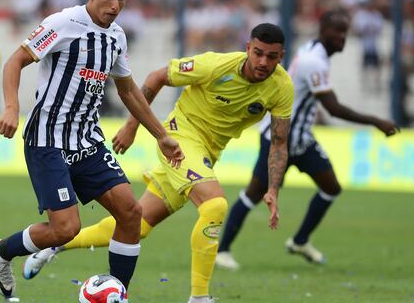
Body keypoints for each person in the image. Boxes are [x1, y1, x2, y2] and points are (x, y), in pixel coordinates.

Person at [23, 23, 294, 303]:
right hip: (179, 140)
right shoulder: (215, 65)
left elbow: (278, 141)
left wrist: (273, 188)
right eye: (258, 53)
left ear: (281, 56)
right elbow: (156, 78)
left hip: (206, 154)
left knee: (136, 225)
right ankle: (199, 298)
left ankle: (53, 246)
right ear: (248, 48)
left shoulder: (282, 88)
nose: (263, 62)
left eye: (271, 57)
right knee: (215, 205)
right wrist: (132, 126)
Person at [0, 0, 184, 300]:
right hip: (48, 139)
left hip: (87, 139)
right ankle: (1, 252)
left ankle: (118, 294)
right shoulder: (63, 23)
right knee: (66, 229)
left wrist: (160, 134)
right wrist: (11, 107)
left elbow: (128, 90)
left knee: (130, 212)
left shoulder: (116, 37)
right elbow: (15, 61)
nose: (115, 6)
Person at [215, 9, 399, 270]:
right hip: (279, 137)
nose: (342, 38)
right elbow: (333, 108)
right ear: (323, 29)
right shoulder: (314, 60)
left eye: (345, 33)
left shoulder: (317, 53)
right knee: (254, 194)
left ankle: (300, 240)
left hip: (302, 139)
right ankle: (222, 250)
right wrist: (377, 121)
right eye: (337, 32)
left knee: (331, 187)